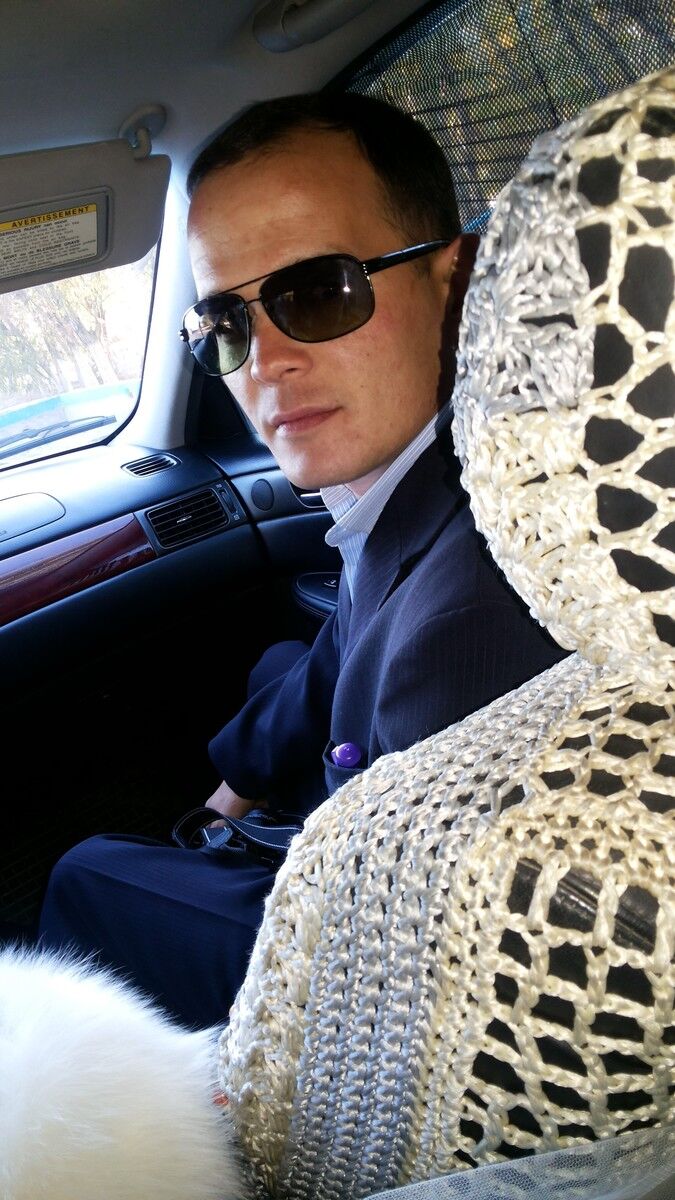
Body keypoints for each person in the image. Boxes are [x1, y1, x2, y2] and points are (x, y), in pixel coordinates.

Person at [38, 91, 566, 1029]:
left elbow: (394, 985)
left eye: (319, 291)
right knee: (282, 661)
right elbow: (341, 642)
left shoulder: (472, 622)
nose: (263, 362)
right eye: (226, 324)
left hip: (358, 971)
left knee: (89, 873)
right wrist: (230, 797)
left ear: (457, 277)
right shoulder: (440, 471)